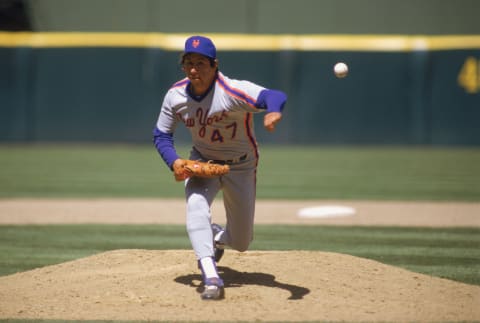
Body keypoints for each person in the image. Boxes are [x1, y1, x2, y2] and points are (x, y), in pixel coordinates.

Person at [153, 35, 287, 300]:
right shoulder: (175, 95)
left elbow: (274, 95)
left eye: (200, 63)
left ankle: (215, 236)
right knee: (196, 207)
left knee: (241, 242)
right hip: (202, 161)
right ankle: (211, 275)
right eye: (188, 63)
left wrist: (273, 111)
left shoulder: (233, 91)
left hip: (241, 165)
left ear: (214, 65)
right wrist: (174, 161)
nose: (194, 69)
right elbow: (161, 135)